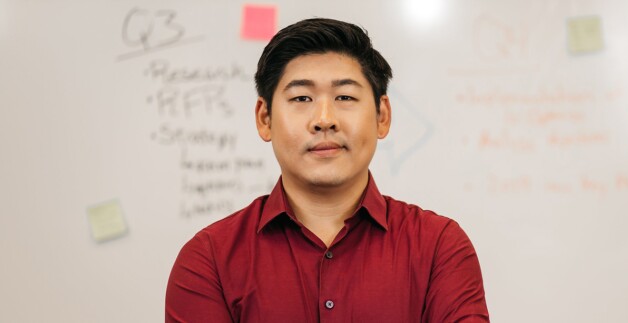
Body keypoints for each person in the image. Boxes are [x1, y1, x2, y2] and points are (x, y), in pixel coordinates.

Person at [165, 18, 489, 322]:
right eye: (302, 97)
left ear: (382, 116)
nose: (324, 119)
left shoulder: (439, 249)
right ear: (265, 119)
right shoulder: (209, 261)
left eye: (345, 96)